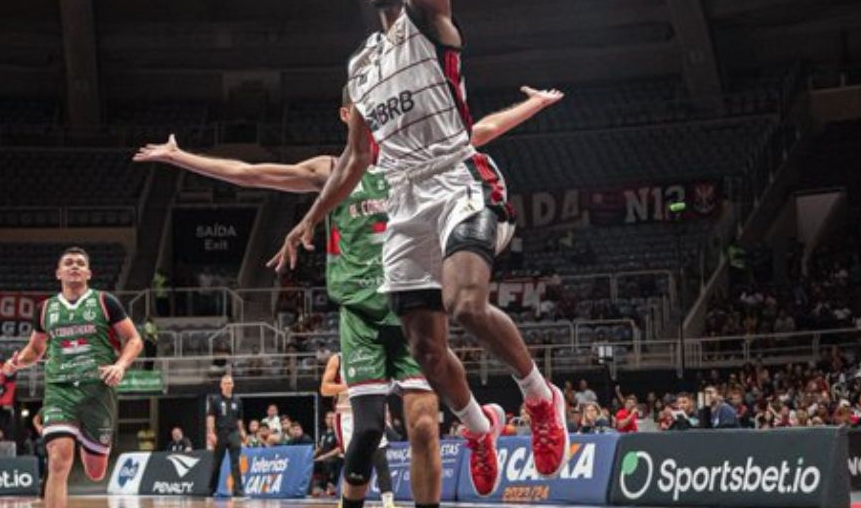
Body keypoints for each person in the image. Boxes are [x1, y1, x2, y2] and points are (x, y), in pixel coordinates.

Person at [265, 0, 570, 497]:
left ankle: (538, 396)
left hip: (459, 179)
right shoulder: (360, 66)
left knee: (465, 305)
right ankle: (479, 426)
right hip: (403, 200)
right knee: (429, 352)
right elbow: (355, 159)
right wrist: (310, 218)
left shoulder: (430, 19)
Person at [137, 84, 561, 508]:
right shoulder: (332, 171)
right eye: (365, 108)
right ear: (347, 115)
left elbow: (482, 130)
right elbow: (251, 173)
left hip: (414, 299)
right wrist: (180, 157)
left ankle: (477, 432)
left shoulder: (414, 155)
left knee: (425, 427)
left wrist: (533, 105)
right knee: (367, 433)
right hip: (362, 315)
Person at [3, 247, 144, 508]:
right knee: (58, 459)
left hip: (97, 390)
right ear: (59, 273)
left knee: (95, 471)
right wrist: (16, 363)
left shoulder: (105, 302)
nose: (75, 266)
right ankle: (69, 436)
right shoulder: (45, 309)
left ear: (89, 272)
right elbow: (36, 349)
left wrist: (121, 365)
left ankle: (88, 439)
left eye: (80, 263)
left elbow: (134, 339)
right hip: (60, 388)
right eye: (68, 263)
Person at [322, 353, 395, 508]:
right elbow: (325, 388)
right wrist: (351, 387)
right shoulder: (338, 359)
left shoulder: (372, 354)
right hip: (346, 413)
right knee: (352, 459)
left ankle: (388, 503)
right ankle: (345, 499)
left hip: (370, 410)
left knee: (380, 455)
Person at [206, 374, 247, 500]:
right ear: (221, 385)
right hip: (220, 434)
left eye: (230, 383)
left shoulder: (238, 401)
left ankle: (238, 491)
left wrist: (242, 432)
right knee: (217, 463)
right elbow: (210, 418)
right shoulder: (216, 400)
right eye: (226, 383)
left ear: (233, 385)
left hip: (234, 433)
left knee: (236, 463)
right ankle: (211, 490)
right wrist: (211, 433)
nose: (228, 385)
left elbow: (239, 419)